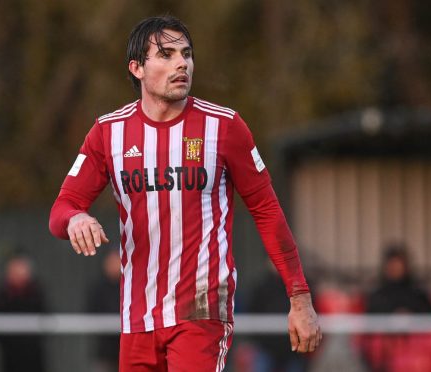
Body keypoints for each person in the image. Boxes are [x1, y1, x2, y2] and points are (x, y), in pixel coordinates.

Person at [48, 15, 321, 371]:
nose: (182, 63)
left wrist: (299, 298)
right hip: (137, 317)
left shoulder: (224, 127)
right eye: (166, 54)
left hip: (201, 311)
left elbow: (267, 210)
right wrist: (76, 218)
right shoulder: (107, 133)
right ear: (137, 68)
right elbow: (61, 210)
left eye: (186, 53)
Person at [0, 254, 46, 372]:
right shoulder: (2, 295)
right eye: (15, 269)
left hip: (33, 356)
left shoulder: (36, 292)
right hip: (10, 356)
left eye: (22, 268)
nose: (20, 273)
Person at [366, 244, 431, 314]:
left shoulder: (417, 291)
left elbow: (429, 316)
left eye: (398, 266)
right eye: (392, 265)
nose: (395, 269)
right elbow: (372, 317)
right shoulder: (378, 293)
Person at [86, 249, 122, 372]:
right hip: (104, 352)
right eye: (111, 261)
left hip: (126, 348)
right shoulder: (98, 288)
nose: (114, 265)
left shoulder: (128, 286)